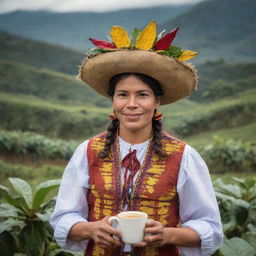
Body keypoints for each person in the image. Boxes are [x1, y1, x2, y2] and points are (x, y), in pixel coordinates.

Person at [50, 21, 223, 256]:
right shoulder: (88, 151)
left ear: (156, 102)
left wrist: (168, 234)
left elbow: (210, 228)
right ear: (113, 101)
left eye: (142, 95)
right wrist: (91, 229)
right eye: (123, 95)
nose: (132, 104)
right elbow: (64, 217)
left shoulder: (184, 156)